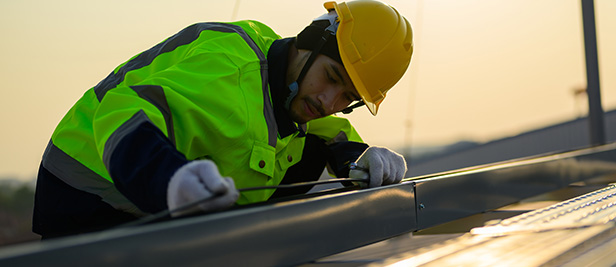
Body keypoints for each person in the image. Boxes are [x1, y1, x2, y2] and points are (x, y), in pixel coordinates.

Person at [32, 0, 413, 239]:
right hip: (88, 198)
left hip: (156, 210)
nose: (330, 101)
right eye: (331, 78)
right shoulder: (228, 71)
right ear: (310, 41)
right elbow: (119, 112)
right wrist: (170, 181)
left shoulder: (295, 89)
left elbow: (329, 128)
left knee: (308, 144)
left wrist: (359, 157)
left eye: (348, 97)